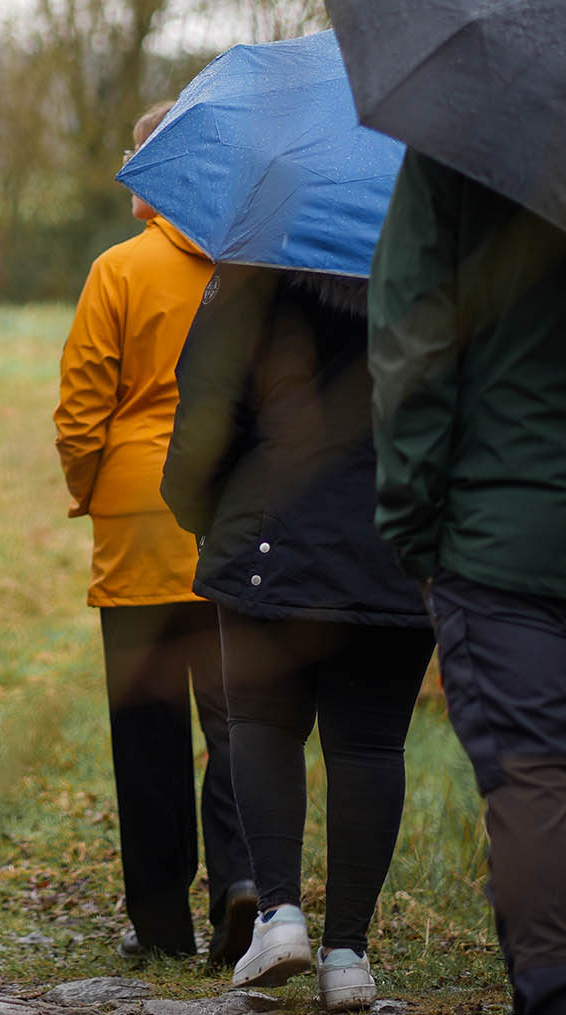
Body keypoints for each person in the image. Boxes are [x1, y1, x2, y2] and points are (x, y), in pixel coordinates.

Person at [161, 263, 435, 1009]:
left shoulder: (259, 264)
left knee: (260, 722)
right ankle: (349, 953)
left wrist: (199, 510)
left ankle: (279, 915)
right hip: (398, 540)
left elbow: (208, 409)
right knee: (372, 745)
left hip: (268, 538)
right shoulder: (441, 264)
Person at [54, 100, 255, 965]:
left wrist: (90, 489)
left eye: (136, 154)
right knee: (237, 718)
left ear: (164, 168)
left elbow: (79, 414)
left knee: (146, 727)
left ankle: (163, 922)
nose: (126, 171)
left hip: (139, 520)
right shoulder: (249, 270)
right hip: (231, 518)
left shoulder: (118, 271)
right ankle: (244, 881)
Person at [369, 149, 566, 1015]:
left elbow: (415, 339)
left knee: (535, 777)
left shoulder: (465, 140)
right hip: (509, 522)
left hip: (508, 533)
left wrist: (415, 523)